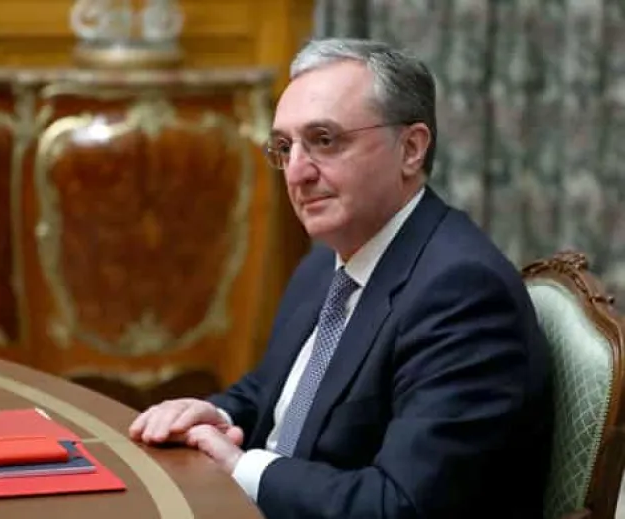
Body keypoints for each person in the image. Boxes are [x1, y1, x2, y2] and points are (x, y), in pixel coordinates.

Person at [129, 38, 553, 519]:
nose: (296, 173)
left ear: (411, 149)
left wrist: (242, 468)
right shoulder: (326, 262)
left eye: (324, 140)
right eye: (284, 147)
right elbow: (275, 390)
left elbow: (399, 505)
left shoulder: (461, 293)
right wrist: (218, 414)